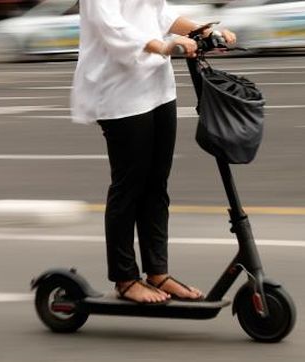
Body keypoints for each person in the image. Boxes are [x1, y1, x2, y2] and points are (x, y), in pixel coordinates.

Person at [70, 0, 236, 303]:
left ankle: (158, 272)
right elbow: (112, 28)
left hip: (158, 88)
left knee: (157, 183)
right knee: (129, 185)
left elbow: (160, 12)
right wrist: (163, 47)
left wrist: (205, 30)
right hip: (120, 91)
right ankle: (125, 278)